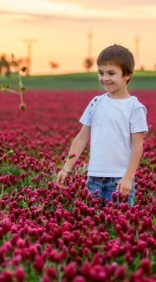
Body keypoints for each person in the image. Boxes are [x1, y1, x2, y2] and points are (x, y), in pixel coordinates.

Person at [56, 44, 148, 205]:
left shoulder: (135, 107)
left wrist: (128, 177)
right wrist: (67, 167)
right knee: (92, 227)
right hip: (94, 179)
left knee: (119, 226)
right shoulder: (96, 103)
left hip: (119, 180)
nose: (105, 78)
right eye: (101, 73)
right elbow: (81, 138)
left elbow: (137, 145)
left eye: (111, 73)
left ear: (127, 75)